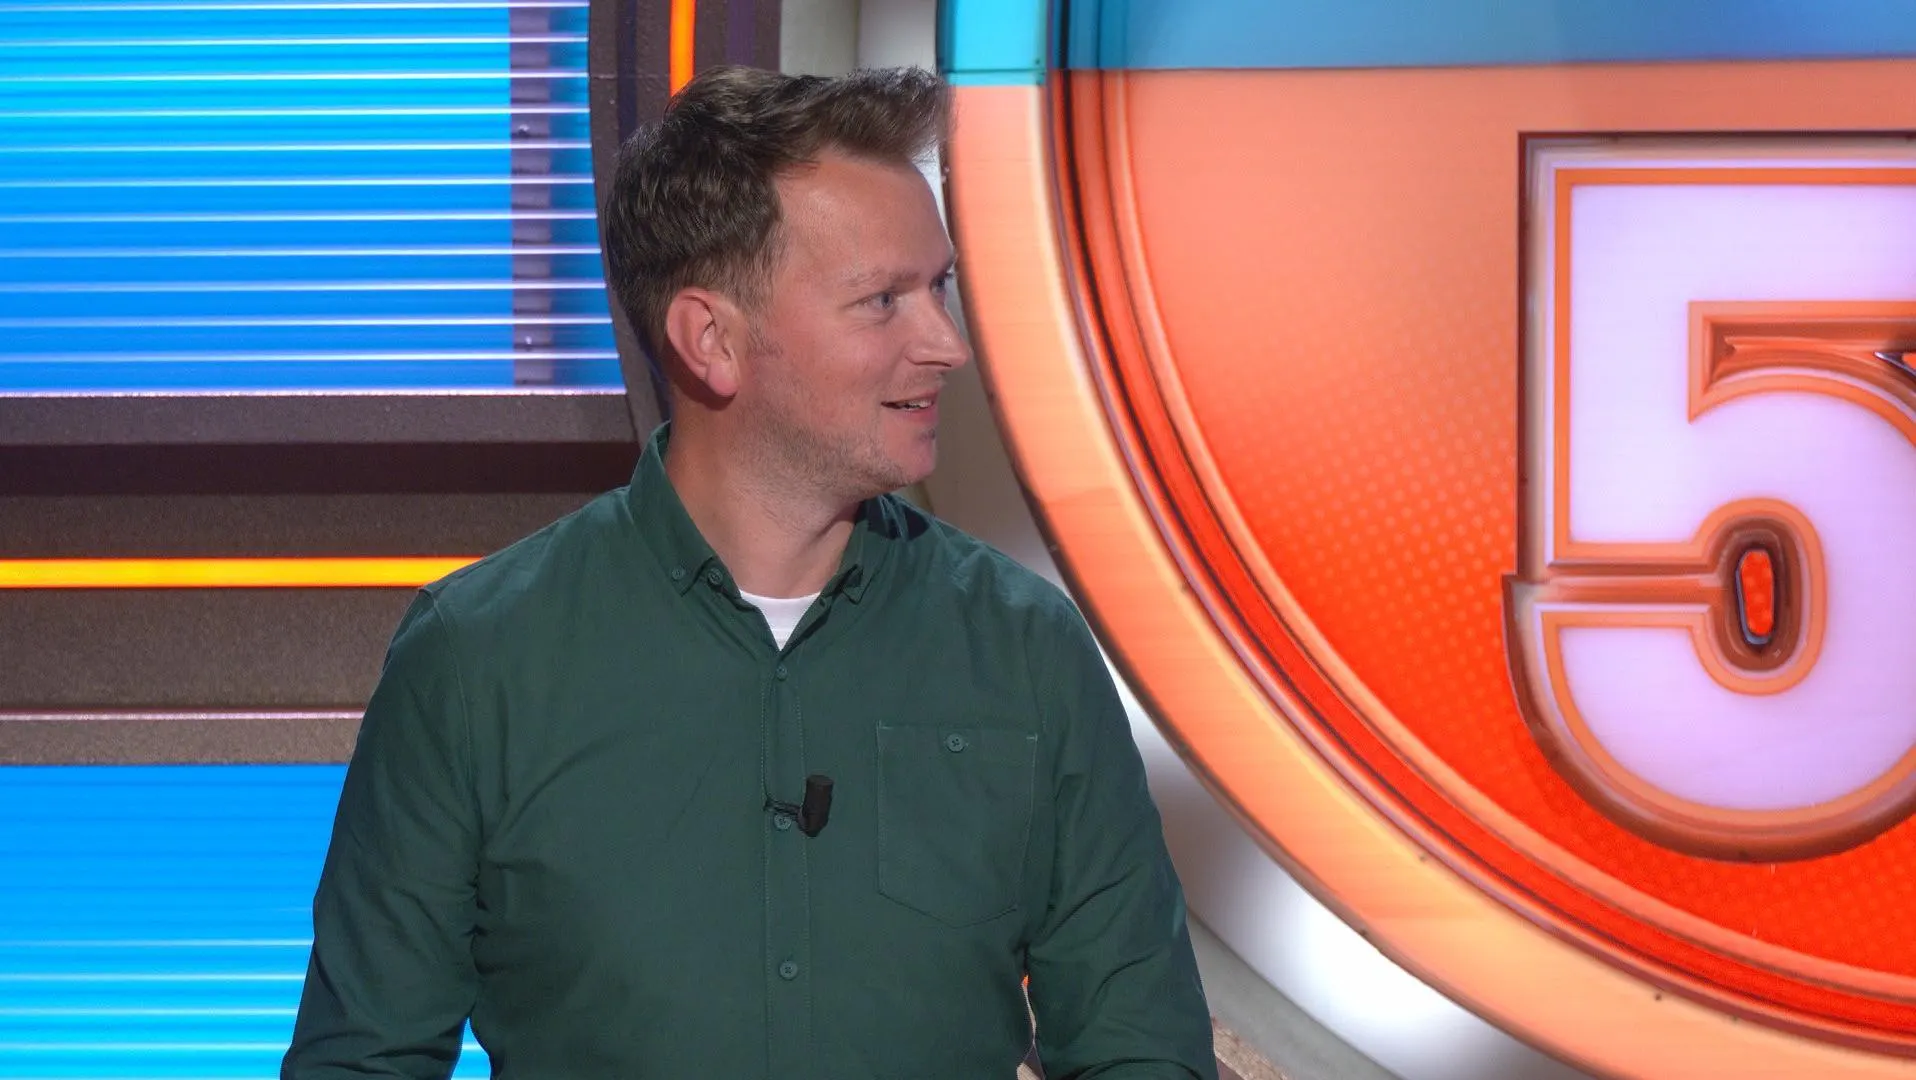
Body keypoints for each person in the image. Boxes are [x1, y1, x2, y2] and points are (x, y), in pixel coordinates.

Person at [282, 64, 1216, 1079]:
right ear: (711, 340)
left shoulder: (1025, 649)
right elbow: (362, 1062)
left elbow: (1141, 1052)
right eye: (883, 301)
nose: (947, 344)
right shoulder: (477, 661)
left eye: (938, 287)